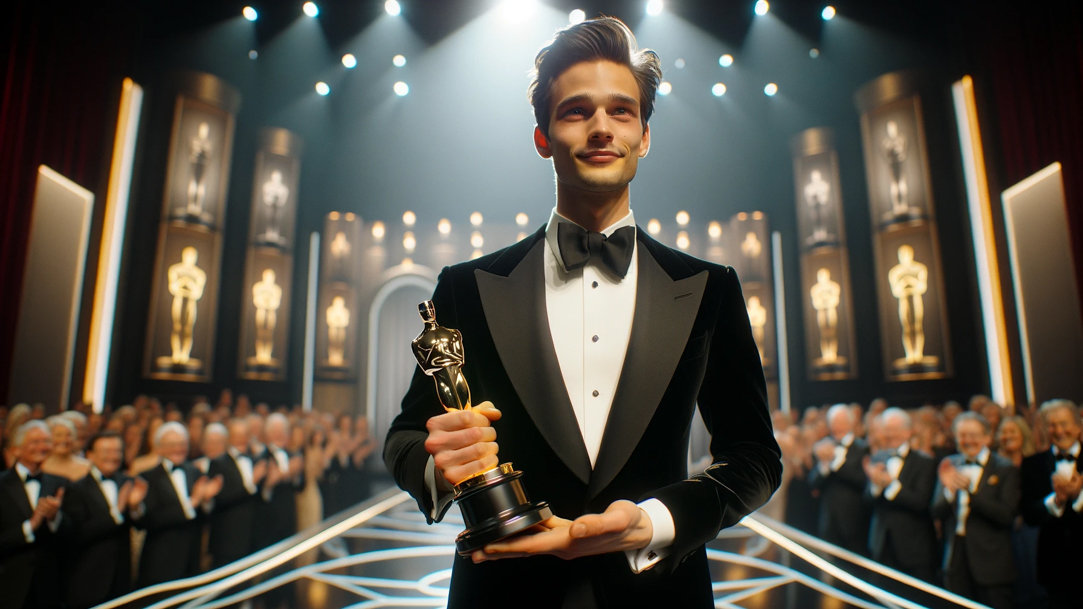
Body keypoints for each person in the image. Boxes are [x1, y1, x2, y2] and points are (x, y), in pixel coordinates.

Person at [384, 16, 780, 608]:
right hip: (503, 593)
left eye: (621, 111)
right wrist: (443, 468)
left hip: (661, 595)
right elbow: (406, 438)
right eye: (576, 111)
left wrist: (656, 522)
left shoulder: (709, 288)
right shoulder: (465, 287)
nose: (601, 128)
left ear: (645, 135)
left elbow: (754, 457)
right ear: (542, 136)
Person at [931, 412, 1019, 609]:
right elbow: (936, 511)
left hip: (992, 562)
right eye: (962, 435)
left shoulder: (1004, 468)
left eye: (973, 435)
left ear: (987, 437)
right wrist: (949, 491)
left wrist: (971, 493)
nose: (967, 441)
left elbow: (1006, 515)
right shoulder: (949, 465)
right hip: (956, 559)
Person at [63, 431, 148, 609]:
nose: (113, 456)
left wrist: (134, 508)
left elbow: (142, 524)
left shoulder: (128, 482)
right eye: (106, 451)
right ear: (90, 455)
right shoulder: (75, 489)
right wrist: (116, 513)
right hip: (88, 578)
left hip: (122, 578)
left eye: (117, 451)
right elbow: (78, 534)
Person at [133, 421, 221, 587]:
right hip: (160, 560)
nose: (178, 448)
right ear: (159, 447)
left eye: (182, 444)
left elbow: (204, 517)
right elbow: (150, 520)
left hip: (191, 558)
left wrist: (206, 501)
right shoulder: (147, 477)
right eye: (172, 444)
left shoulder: (196, 472)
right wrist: (192, 503)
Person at [1020, 399, 1083, 609]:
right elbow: (1028, 514)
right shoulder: (1032, 464)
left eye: (1064, 424)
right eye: (1052, 425)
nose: (1059, 431)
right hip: (1054, 566)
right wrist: (1055, 501)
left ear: (1078, 426)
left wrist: (1079, 497)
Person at [862, 407, 937, 582]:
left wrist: (890, 484)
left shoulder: (924, 462)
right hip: (881, 545)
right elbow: (866, 501)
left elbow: (921, 502)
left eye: (895, 429)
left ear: (908, 432)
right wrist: (875, 486)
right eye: (887, 429)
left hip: (914, 549)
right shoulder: (877, 458)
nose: (890, 434)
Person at [0, 420, 69, 608]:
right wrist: (31, 525)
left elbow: (72, 534)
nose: (42, 447)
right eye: (35, 442)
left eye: (46, 441)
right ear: (16, 449)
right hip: (7, 583)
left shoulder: (60, 483)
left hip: (47, 587)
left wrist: (54, 518)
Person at [809, 404, 870, 555]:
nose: (837, 426)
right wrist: (824, 465)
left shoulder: (863, 448)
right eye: (834, 422)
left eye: (840, 422)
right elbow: (813, 482)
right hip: (828, 523)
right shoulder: (824, 446)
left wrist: (835, 462)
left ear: (850, 423)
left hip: (855, 523)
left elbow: (862, 481)